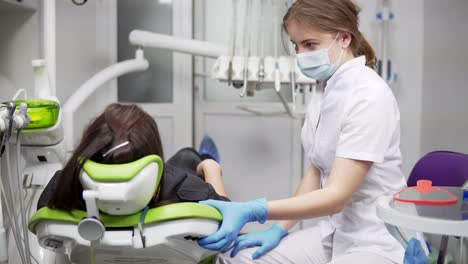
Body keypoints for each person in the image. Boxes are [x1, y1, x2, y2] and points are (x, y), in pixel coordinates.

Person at [198, 0, 407, 263]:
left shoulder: (369, 96)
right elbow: (317, 169)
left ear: (344, 38)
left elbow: (336, 197)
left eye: (310, 45)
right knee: (238, 258)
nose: (300, 55)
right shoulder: (324, 88)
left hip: (377, 240)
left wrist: (255, 210)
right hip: (336, 233)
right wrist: (277, 229)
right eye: (296, 45)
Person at [37, 103, 229, 211]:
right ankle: (206, 157)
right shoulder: (186, 189)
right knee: (188, 156)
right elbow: (226, 214)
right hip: (173, 187)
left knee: (185, 158)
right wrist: (212, 169)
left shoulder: (62, 188)